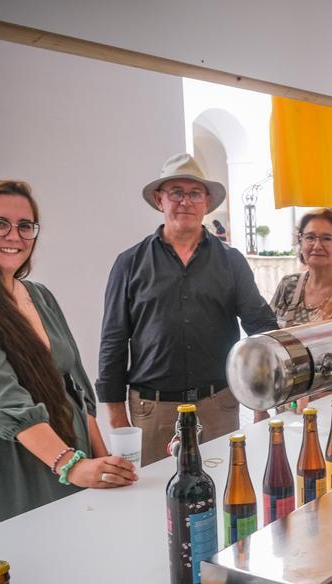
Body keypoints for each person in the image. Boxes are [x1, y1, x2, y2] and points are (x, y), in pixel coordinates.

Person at [0, 181, 135, 539]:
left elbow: (76, 387)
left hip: (65, 455)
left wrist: (102, 463)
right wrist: (70, 465)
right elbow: (1, 398)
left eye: (26, 226)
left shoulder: (39, 295)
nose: (15, 235)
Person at [98, 153, 278, 465]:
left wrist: (267, 397)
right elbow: (113, 341)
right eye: (176, 192)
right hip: (153, 413)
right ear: (159, 200)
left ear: (206, 202)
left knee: (224, 495)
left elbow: (261, 327)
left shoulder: (231, 261)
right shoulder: (129, 263)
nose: (186, 201)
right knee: (155, 503)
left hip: (219, 406)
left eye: (195, 193)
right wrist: (116, 417)